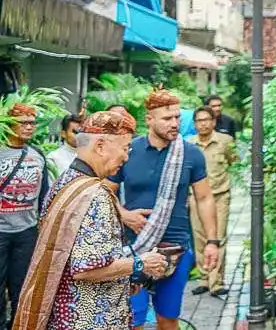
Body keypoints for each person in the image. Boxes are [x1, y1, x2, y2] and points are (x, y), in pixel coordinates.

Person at [12, 109, 168, 330]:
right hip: (89, 319)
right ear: (100, 146)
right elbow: (86, 269)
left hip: (64, 314)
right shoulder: (94, 194)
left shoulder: (66, 181)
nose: (126, 156)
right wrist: (141, 263)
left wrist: (124, 279)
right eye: (125, 148)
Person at [107, 88, 220, 330]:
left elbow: (204, 198)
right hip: (132, 248)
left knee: (168, 319)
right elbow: (104, 191)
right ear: (149, 119)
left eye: (178, 117)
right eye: (167, 118)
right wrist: (124, 215)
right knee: (132, 320)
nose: (175, 123)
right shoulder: (129, 150)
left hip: (176, 247)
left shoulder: (191, 154)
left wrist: (212, 242)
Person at [0, 104, 49, 330]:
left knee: (21, 287)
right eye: (24, 122)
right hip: (0, 232)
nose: (29, 127)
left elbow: (44, 195)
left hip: (26, 233)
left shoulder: (37, 156)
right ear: (9, 124)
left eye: (32, 123)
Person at [187, 106, 237, 297]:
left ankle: (217, 281)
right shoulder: (189, 145)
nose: (203, 124)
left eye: (207, 120)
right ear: (195, 124)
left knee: (217, 237)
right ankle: (203, 278)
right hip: (195, 197)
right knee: (199, 237)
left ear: (214, 121)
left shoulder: (225, 141)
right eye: (199, 121)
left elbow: (234, 162)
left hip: (219, 195)